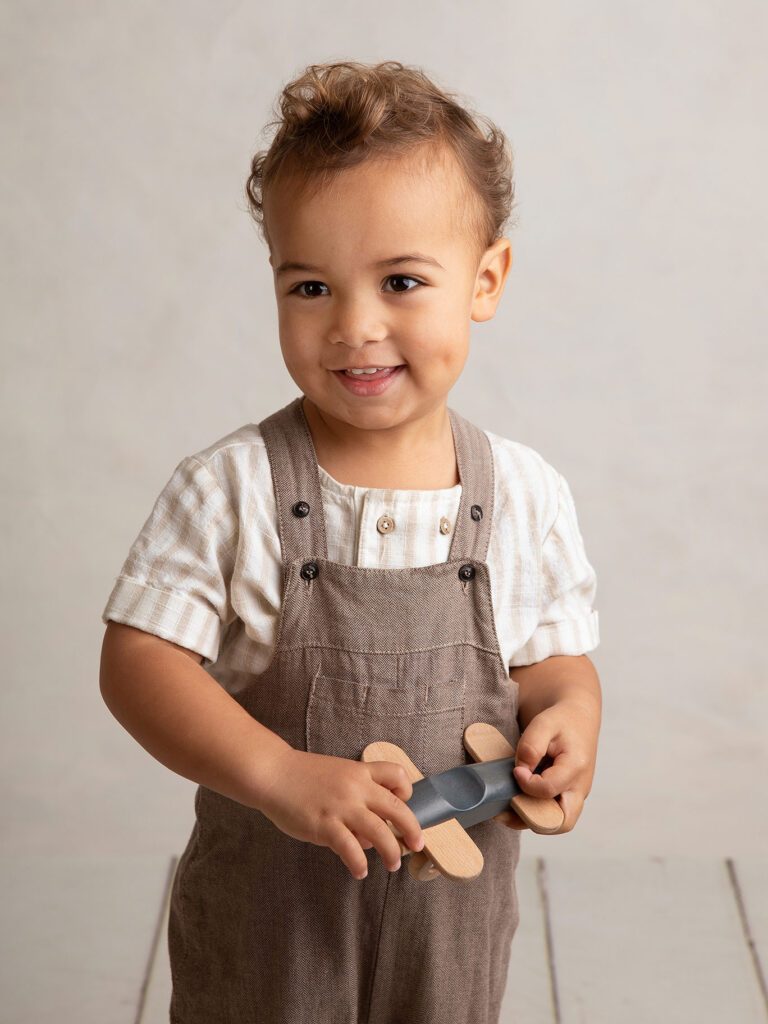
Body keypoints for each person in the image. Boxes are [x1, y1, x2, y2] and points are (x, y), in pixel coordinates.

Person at [99, 59, 601, 1024]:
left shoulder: (527, 495)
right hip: (270, 932)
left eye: (402, 281)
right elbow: (137, 662)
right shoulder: (231, 488)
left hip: (444, 941)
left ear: (486, 279)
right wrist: (278, 775)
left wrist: (570, 721)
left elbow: (553, 665)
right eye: (312, 286)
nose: (355, 326)